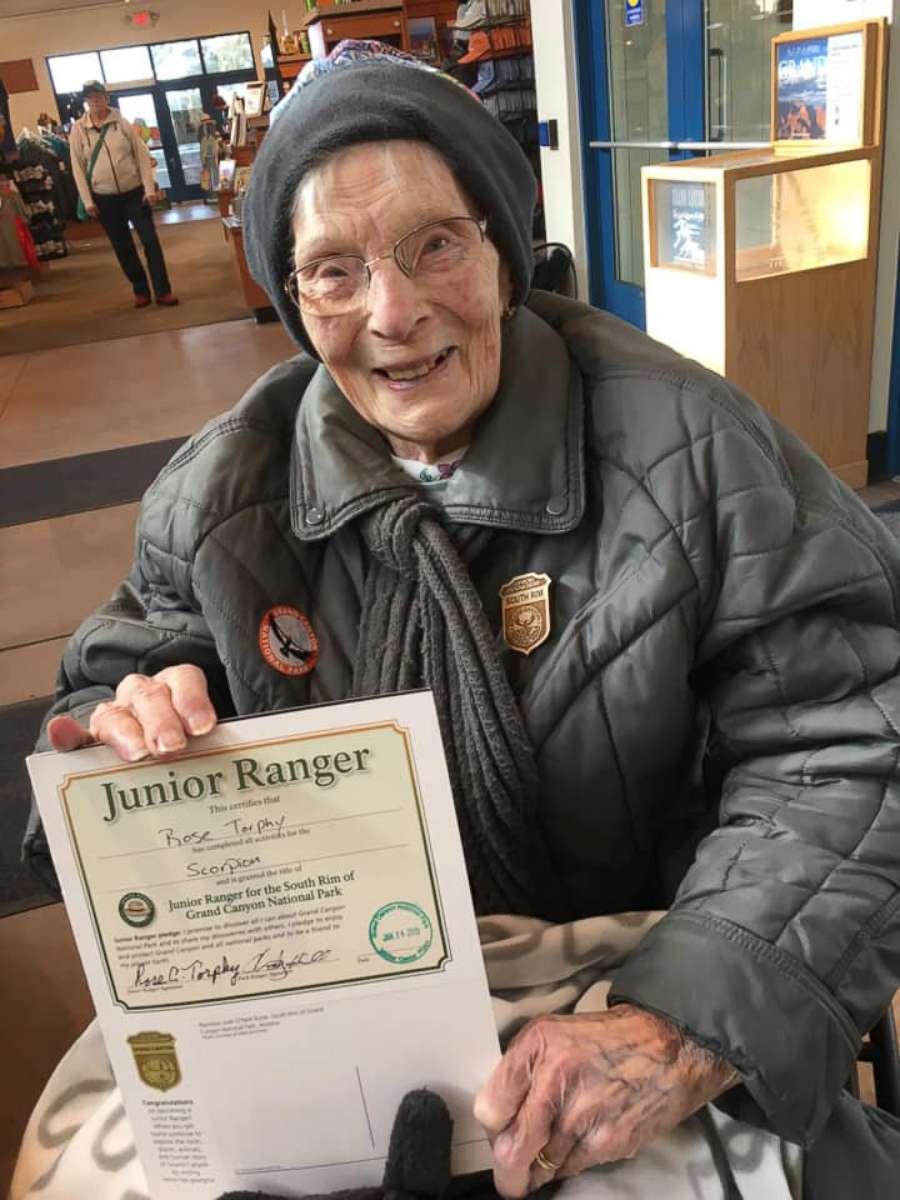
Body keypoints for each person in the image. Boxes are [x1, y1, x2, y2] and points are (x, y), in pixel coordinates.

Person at [24, 42, 900, 1199]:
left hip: (649, 962)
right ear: (293, 300)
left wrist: (686, 1022)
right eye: (335, 270)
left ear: (503, 248)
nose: (395, 312)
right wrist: (129, 726)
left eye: (436, 244)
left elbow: (855, 733)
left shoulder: (693, 449)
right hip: (331, 1000)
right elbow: (111, 689)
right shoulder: (221, 491)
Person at [69, 80, 178, 308]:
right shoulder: (79, 129)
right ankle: (140, 290)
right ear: (86, 102)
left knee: (150, 240)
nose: (96, 101)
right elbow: (77, 167)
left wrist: (149, 190)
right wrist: (88, 200)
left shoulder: (122, 124)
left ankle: (163, 291)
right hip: (104, 197)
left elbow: (141, 157)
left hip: (134, 193)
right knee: (122, 246)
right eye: (91, 98)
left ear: (106, 98)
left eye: (99, 96)